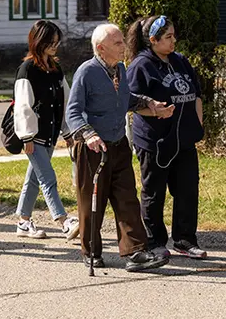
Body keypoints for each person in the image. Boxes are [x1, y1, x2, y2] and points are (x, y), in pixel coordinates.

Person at [66, 24, 172, 272]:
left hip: (118, 144)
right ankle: (90, 251)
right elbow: (73, 111)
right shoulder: (86, 72)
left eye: (123, 41)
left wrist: (152, 105)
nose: (124, 46)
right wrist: (88, 134)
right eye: (117, 43)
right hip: (93, 148)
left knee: (127, 199)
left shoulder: (120, 69)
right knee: (93, 202)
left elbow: (126, 99)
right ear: (101, 48)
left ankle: (135, 253)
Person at [126, 16, 207, 259]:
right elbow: (129, 102)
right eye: (168, 36)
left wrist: (197, 126)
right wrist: (153, 110)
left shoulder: (180, 61)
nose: (174, 40)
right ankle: (154, 242)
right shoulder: (141, 65)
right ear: (153, 40)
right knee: (154, 192)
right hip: (155, 142)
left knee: (187, 190)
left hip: (183, 140)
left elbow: (197, 95)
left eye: (174, 35)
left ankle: (184, 240)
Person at [13, 20, 79, 240]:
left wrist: (68, 130)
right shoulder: (27, 70)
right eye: (50, 42)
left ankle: (23, 222)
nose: (54, 46)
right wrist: (27, 136)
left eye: (56, 42)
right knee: (47, 178)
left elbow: (64, 100)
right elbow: (23, 105)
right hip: (34, 136)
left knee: (34, 179)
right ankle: (63, 221)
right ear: (38, 41)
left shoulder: (55, 68)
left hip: (50, 134)